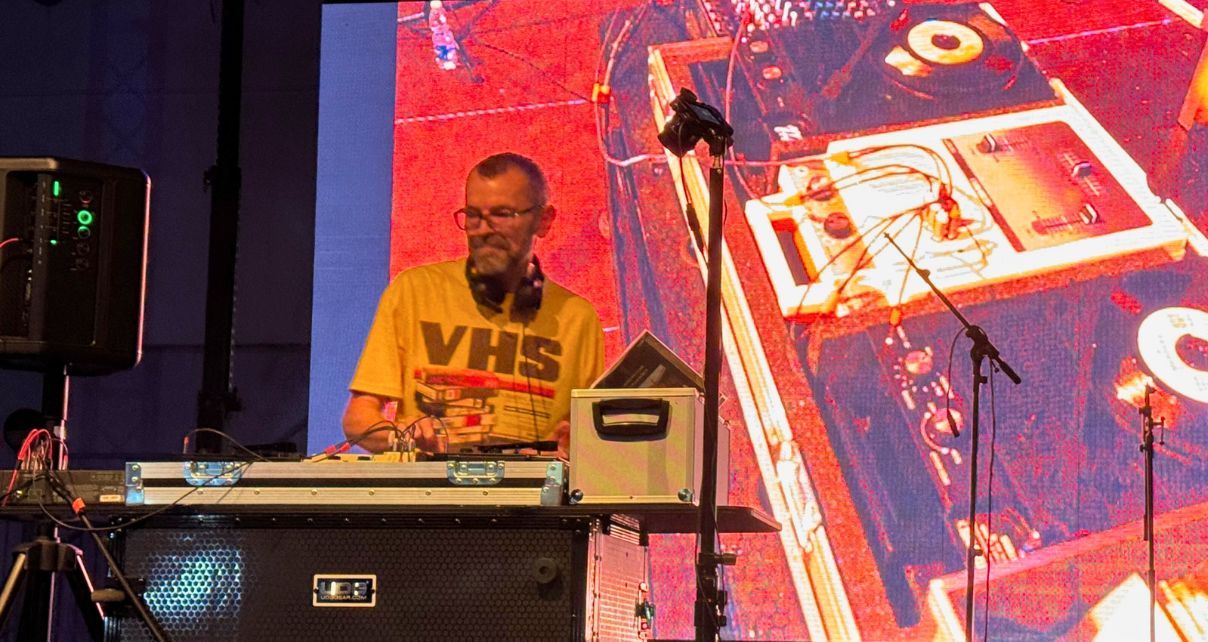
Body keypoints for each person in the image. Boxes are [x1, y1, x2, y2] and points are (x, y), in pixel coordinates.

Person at [342, 152, 605, 455]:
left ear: (543, 220)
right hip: (431, 495)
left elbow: (586, 442)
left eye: (502, 214)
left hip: (530, 498)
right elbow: (358, 419)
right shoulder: (414, 291)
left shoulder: (578, 318)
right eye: (474, 216)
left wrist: (578, 447)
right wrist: (403, 434)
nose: (482, 229)